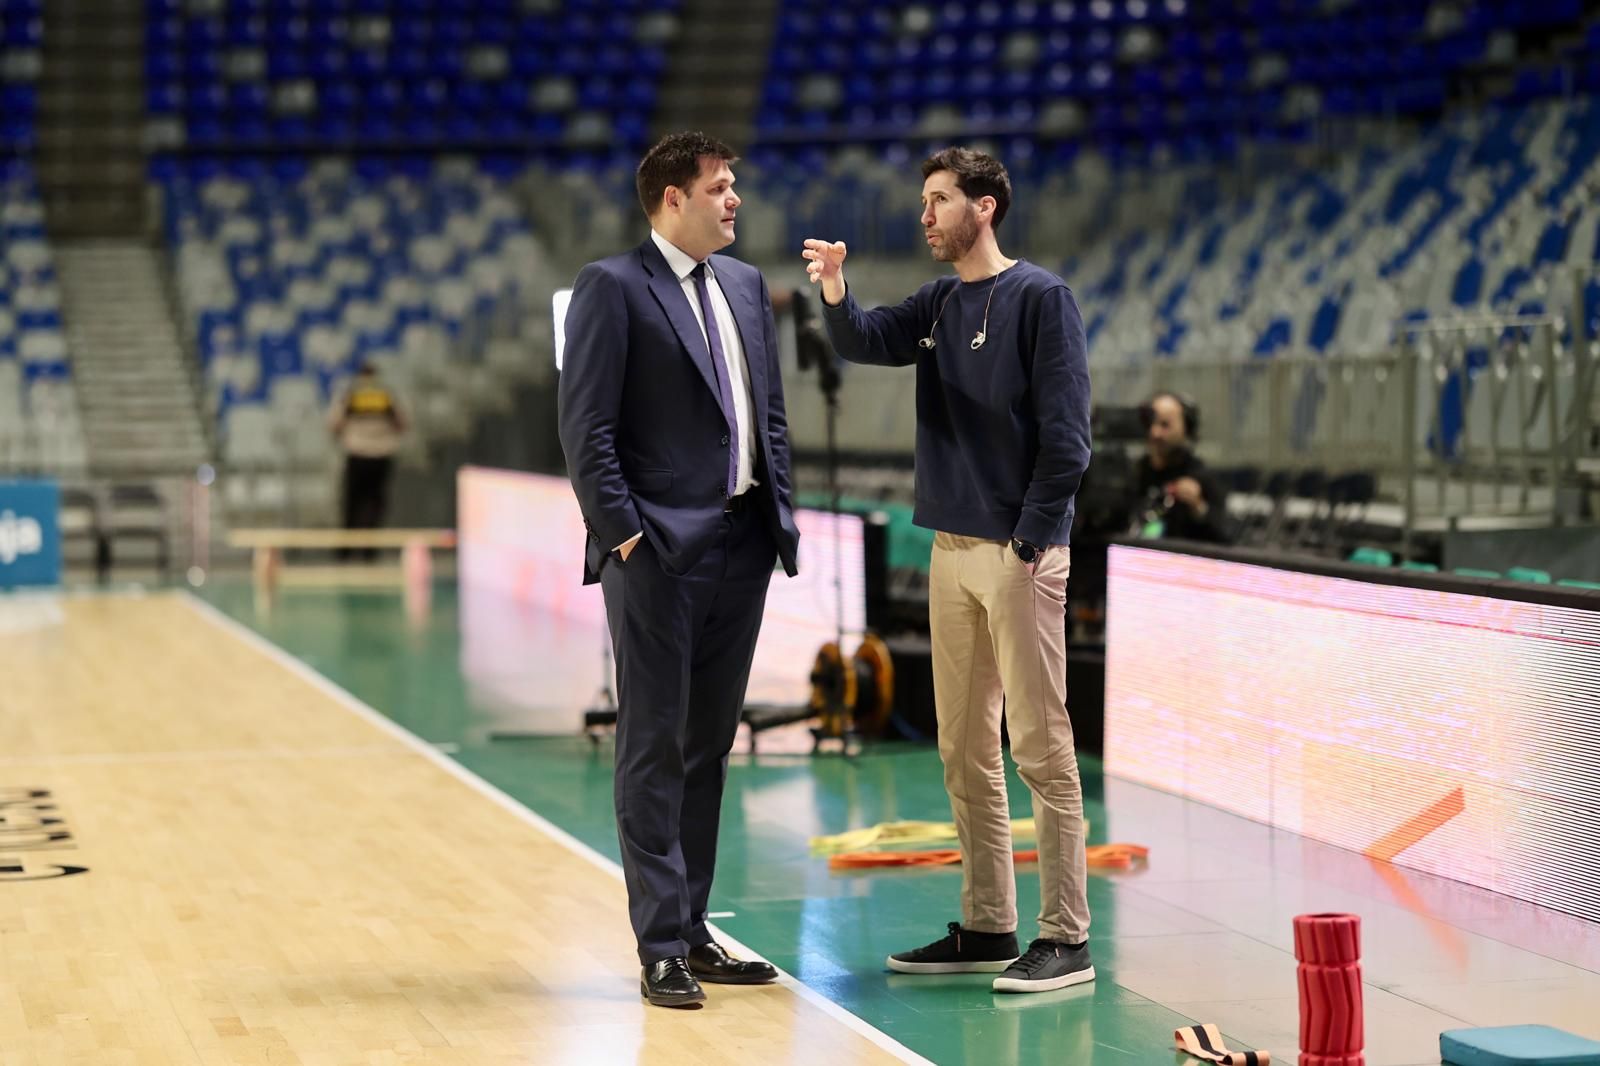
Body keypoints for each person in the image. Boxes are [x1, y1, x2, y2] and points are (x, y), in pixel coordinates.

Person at [802, 147, 1095, 994]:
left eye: (938, 201)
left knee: (1039, 746)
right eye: (924, 201)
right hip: (950, 549)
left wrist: (1031, 542)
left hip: (1016, 551)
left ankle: (1067, 937)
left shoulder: (1041, 298)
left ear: (985, 208)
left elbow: (1070, 438)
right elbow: (863, 338)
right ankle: (988, 923)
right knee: (964, 749)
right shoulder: (937, 302)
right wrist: (834, 289)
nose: (925, 215)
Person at [557, 131, 800, 1009]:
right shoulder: (612, 287)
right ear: (672, 199)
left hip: (742, 547)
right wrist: (626, 538)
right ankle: (659, 941)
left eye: (733, 186)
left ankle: (696, 931)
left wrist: (780, 516)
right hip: (657, 555)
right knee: (654, 747)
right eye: (720, 187)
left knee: (708, 748)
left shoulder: (742, 286)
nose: (734, 199)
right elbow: (586, 430)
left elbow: (767, 417)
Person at [328, 361, 407, 560]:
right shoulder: (386, 394)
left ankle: (345, 552)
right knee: (375, 504)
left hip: (357, 453)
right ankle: (369, 552)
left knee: (351, 503)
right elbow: (402, 423)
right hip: (381, 455)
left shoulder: (351, 394)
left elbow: (334, 424)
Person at [1133, 391, 1230, 543]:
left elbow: (1226, 538)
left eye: (1165, 425)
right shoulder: (1134, 473)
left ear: (1187, 429)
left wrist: (1199, 507)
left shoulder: (1202, 478)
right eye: (1150, 423)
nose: (1155, 432)